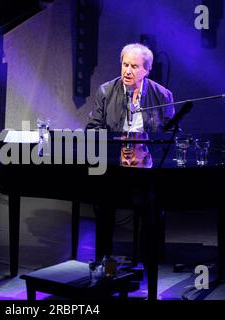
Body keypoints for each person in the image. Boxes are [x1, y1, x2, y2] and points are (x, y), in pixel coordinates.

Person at [86, 43, 175, 260]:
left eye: (134, 66)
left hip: (148, 166)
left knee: (151, 207)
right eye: (125, 64)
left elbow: (170, 136)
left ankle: (147, 261)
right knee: (103, 204)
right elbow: (93, 129)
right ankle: (104, 261)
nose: (127, 70)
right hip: (115, 165)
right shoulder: (106, 91)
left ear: (147, 69)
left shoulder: (162, 95)